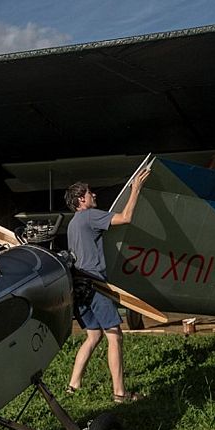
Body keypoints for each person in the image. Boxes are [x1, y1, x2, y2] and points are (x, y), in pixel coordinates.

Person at [64, 168, 150, 403]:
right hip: (95, 284)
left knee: (93, 335)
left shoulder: (72, 224)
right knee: (115, 335)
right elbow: (125, 218)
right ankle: (120, 393)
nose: (94, 196)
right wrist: (136, 189)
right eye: (91, 193)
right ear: (81, 199)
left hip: (78, 285)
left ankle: (73, 385)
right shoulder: (89, 216)